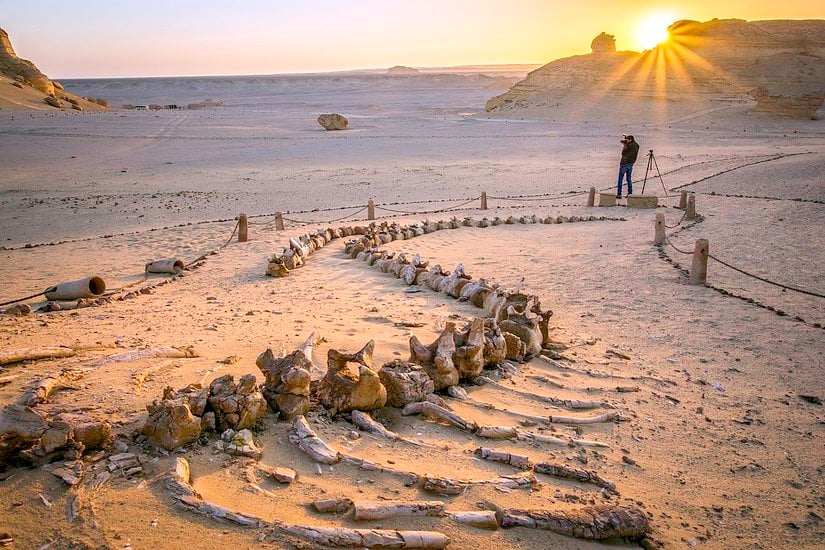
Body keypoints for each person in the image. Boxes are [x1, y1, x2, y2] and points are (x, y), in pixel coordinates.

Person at [616, 134, 640, 198]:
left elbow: (623, 153)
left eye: (627, 140)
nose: (626, 141)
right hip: (631, 163)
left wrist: (625, 145)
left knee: (620, 179)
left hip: (624, 163)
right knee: (629, 179)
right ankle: (630, 193)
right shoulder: (637, 145)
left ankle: (619, 194)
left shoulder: (628, 145)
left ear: (630, 140)